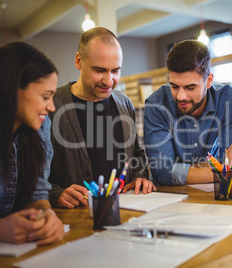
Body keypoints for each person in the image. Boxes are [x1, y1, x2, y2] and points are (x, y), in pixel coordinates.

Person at [49, 27, 155, 209]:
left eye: (115, 71)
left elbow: (136, 154)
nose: (108, 80)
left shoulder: (124, 103)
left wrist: (140, 176)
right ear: (79, 61)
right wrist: (55, 194)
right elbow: (31, 175)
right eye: (99, 70)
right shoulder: (51, 105)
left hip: (125, 213)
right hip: (73, 219)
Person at [0, 42, 64, 245]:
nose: (52, 107)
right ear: (11, 89)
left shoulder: (40, 126)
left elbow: (37, 193)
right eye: (45, 96)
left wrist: (47, 216)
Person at [144, 39, 232, 186]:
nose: (180, 96)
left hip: (213, 196)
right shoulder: (156, 104)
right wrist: (221, 170)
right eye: (174, 86)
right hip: (168, 197)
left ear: (209, 81)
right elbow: (162, 172)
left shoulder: (228, 100)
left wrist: (181, 171)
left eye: (190, 87)